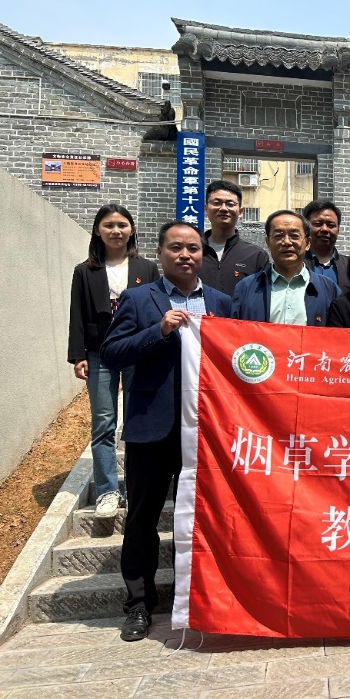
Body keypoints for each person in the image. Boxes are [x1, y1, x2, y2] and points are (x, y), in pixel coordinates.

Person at [101, 221, 231, 642]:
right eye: (176, 247)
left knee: (199, 519)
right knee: (142, 517)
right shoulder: (139, 299)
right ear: (159, 253)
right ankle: (139, 605)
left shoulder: (221, 303)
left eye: (193, 248)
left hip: (207, 431)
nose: (185, 255)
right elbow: (112, 353)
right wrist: (157, 331)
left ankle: (193, 597)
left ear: (202, 254)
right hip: (152, 429)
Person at [67, 204, 159, 519]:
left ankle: (135, 487)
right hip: (99, 352)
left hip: (137, 350)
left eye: (122, 225)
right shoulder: (85, 271)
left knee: (136, 421)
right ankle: (107, 491)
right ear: (98, 230)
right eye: (109, 225)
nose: (116, 231)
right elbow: (77, 313)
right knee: (104, 422)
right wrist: (78, 355)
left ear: (132, 230)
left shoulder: (146, 268)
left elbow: (155, 310)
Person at [232, 210, 338, 326]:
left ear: (308, 243)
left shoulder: (328, 289)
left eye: (295, 236)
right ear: (268, 242)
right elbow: (235, 332)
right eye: (278, 236)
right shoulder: (246, 288)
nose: (287, 242)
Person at [200, 179, 269, 296]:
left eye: (230, 204)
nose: (223, 208)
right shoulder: (192, 252)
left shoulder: (255, 256)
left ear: (240, 212)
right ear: (206, 209)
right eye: (216, 203)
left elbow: (262, 298)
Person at [303, 199, 350, 295]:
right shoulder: (295, 264)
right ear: (306, 229)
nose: (325, 229)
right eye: (318, 224)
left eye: (331, 225)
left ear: (338, 230)